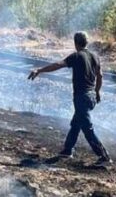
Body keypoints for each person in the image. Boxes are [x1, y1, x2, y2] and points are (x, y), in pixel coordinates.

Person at [27, 31, 111, 165]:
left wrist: (39, 70)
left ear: (76, 43)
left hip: (81, 97)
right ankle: (67, 150)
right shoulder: (95, 56)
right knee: (76, 123)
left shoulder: (76, 56)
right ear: (86, 42)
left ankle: (104, 157)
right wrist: (97, 92)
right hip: (91, 97)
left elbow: (58, 65)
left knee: (87, 128)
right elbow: (100, 76)